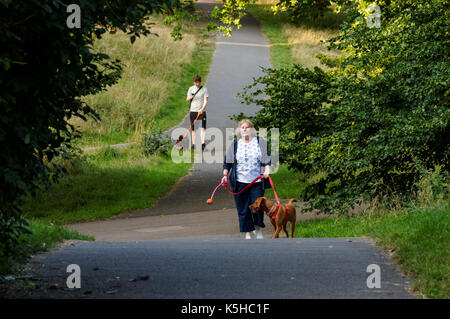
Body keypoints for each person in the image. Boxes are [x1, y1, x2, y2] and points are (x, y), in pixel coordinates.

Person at [222, 119, 271, 239]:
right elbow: (227, 162)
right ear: (239, 130)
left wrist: (267, 170)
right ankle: (248, 232)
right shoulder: (235, 144)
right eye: (242, 127)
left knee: (258, 206)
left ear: (252, 130)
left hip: (257, 181)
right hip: (240, 182)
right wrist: (225, 175)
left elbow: (266, 158)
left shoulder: (259, 142)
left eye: (247, 127)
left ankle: (258, 229)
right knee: (243, 208)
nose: (245, 129)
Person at [186, 75, 208, 151]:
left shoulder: (204, 89)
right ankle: (193, 144)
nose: (196, 84)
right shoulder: (191, 89)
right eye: (195, 82)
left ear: (200, 82)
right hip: (193, 111)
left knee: (203, 128)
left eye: (197, 82)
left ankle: (203, 143)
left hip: (201, 111)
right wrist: (191, 96)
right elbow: (187, 99)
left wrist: (202, 109)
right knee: (193, 128)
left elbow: (205, 101)